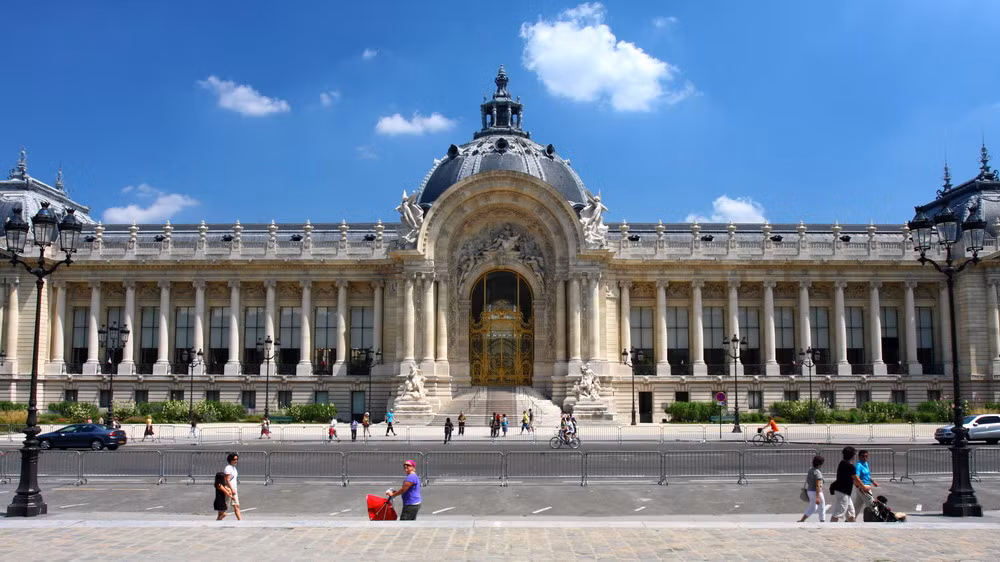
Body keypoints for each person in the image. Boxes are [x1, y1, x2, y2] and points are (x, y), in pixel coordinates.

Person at [830, 446, 869, 522]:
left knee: (851, 513)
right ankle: (830, 528)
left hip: (844, 492)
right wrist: (864, 487)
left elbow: (851, 479)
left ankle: (853, 528)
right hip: (843, 492)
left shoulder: (842, 463)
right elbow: (856, 479)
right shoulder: (850, 466)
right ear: (852, 455)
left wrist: (858, 485)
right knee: (838, 513)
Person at [799, 455, 826, 522]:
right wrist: (818, 497)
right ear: (820, 464)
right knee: (822, 508)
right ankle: (822, 522)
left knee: (812, 507)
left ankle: (802, 520)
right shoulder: (817, 472)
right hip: (816, 492)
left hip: (809, 491)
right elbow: (818, 485)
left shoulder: (811, 470)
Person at [856, 449, 879, 521]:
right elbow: (856, 477)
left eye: (866, 456)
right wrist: (862, 487)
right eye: (863, 456)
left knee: (857, 505)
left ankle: (849, 519)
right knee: (872, 504)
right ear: (859, 457)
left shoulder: (865, 464)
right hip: (863, 487)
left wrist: (873, 482)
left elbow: (867, 476)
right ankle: (875, 520)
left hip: (866, 485)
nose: (865, 458)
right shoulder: (858, 465)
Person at [224, 453, 242, 520]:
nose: (236, 461)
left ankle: (241, 521)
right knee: (225, 507)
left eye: (237, 459)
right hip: (229, 489)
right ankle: (218, 520)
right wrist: (232, 489)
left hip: (234, 489)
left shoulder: (234, 468)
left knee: (236, 505)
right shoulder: (228, 468)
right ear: (230, 460)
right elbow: (227, 480)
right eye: (234, 459)